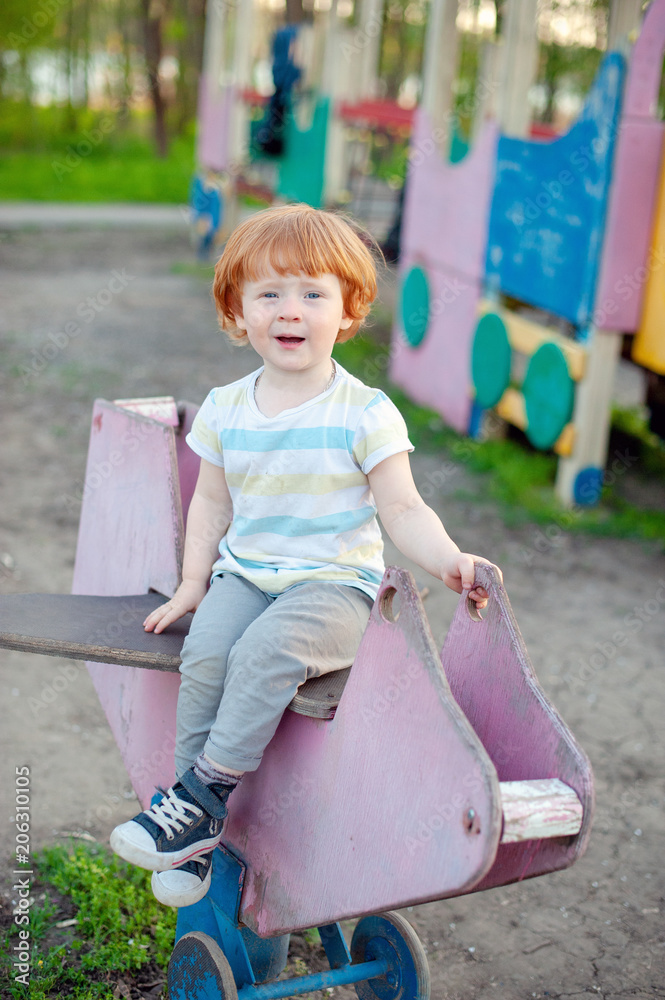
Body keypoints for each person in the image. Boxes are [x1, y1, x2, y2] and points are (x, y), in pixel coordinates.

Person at [110, 203, 497, 908]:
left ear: (348, 311)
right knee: (205, 655)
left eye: (313, 293)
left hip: (335, 587)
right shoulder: (227, 407)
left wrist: (446, 558)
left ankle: (202, 794)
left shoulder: (364, 412)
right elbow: (212, 503)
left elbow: (402, 508)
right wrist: (194, 583)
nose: (290, 309)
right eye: (269, 293)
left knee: (264, 654)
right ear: (238, 311)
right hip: (246, 574)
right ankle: (193, 830)